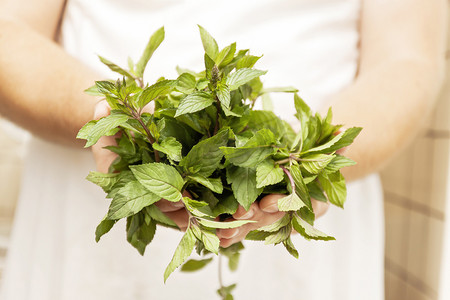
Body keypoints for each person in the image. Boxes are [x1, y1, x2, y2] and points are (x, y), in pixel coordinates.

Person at [0, 0, 446, 299]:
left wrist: (302, 157)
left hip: (301, 222)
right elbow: (9, 31)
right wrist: (113, 114)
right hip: (79, 228)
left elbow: (408, 59)